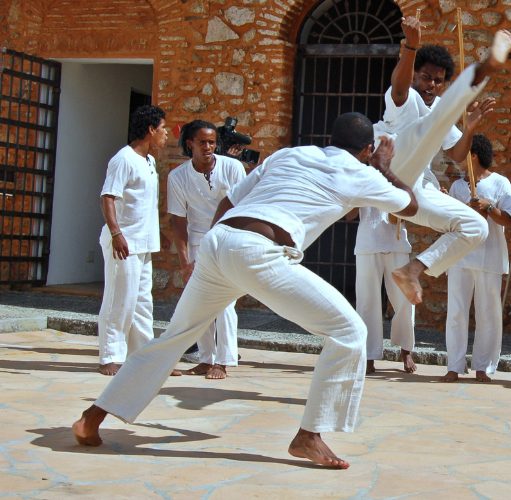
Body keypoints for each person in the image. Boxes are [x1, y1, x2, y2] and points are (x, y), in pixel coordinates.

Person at [72, 112, 418, 469]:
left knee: (173, 338)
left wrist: (219, 246)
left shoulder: (291, 154)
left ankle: (92, 417)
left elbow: (230, 201)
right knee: (349, 331)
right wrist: (385, 167)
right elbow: (411, 205)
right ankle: (309, 436)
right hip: (260, 252)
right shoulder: (362, 171)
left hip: (219, 241)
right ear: (366, 149)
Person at [375, 18, 511, 311]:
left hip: (413, 186)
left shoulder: (440, 108)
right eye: (427, 78)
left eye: (439, 81)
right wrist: (410, 47)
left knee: (476, 226)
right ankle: (485, 68)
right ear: (415, 76)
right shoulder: (405, 96)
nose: (432, 85)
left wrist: (471, 126)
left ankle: (412, 270)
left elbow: (456, 155)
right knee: (428, 128)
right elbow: (399, 87)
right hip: (389, 166)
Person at [167, 120, 247, 380]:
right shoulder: (178, 176)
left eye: (212, 142)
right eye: (202, 142)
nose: (209, 147)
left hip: (228, 238)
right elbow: (178, 221)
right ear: (190, 144)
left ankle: (223, 360)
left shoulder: (233, 167)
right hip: (197, 241)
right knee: (198, 300)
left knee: (224, 302)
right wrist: (184, 261)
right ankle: (205, 358)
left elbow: (244, 206)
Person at [96, 105, 170, 376]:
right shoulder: (123, 159)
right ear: (150, 130)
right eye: (162, 129)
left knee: (141, 303)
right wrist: (117, 234)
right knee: (120, 300)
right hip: (123, 243)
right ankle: (110, 356)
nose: (165, 135)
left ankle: (144, 358)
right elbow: (108, 197)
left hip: (143, 244)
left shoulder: (149, 162)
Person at [441, 134, 511, 383]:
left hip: (490, 257)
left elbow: (508, 220)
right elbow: (449, 224)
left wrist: (488, 207)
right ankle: (454, 365)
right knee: (456, 312)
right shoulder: (457, 187)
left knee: (488, 313)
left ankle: (483, 366)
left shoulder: (500, 183)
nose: (459, 159)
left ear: (474, 155)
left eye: (464, 153)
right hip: (460, 257)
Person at [352, 204, 417, 375]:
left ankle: (406, 350)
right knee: (367, 302)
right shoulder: (362, 177)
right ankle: (368, 355)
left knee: (405, 298)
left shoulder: (400, 177)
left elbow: (413, 209)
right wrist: (358, 196)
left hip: (398, 243)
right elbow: (349, 216)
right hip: (367, 243)